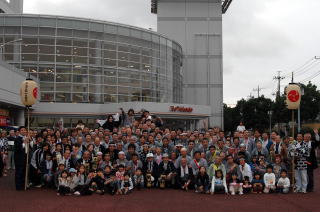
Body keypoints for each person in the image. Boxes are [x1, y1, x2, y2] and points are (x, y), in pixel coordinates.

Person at [14, 126, 30, 191]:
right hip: (19, 158)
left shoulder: (26, 138)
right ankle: (18, 186)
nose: (24, 131)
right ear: (19, 131)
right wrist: (24, 143)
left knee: (24, 172)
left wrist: (29, 140)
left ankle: (24, 185)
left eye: (25, 130)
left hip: (25, 157)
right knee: (19, 172)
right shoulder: (17, 139)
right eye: (22, 130)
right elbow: (17, 149)